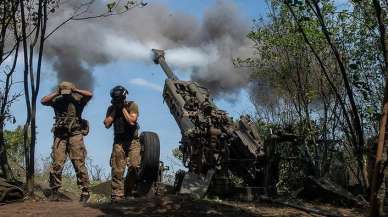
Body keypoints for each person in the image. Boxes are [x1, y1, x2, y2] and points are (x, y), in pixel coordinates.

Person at [41, 81, 92, 202]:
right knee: (57, 164)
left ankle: (85, 192)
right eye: (63, 93)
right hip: (60, 135)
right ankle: (54, 191)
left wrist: (76, 90)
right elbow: (43, 101)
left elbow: (89, 95)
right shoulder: (57, 100)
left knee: (78, 163)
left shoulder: (78, 100)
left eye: (67, 92)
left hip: (75, 134)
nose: (65, 95)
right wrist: (57, 93)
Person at [104, 85, 140, 202]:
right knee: (117, 169)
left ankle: (128, 190)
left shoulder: (132, 105)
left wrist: (123, 108)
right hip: (118, 142)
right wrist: (116, 109)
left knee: (134, 166)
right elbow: (107, 124)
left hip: (133, 141)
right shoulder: (111, 108)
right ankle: (117, 194)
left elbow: (131, 121)